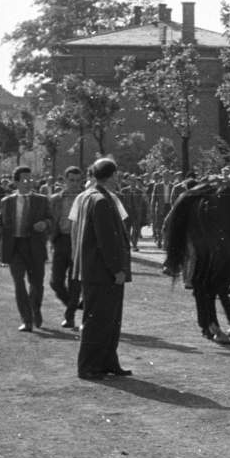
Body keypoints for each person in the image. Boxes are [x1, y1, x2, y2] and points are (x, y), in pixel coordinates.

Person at [71, 157, 133, 380]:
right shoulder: (102, 200)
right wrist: (117, 269)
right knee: (99, 321)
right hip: (103, 272)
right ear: (113, 175)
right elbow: (107, 240)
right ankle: (88, 366)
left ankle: (107, 361)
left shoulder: (89, 196)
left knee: (109, 320)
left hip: (94, 270)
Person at [0, 166, 54, 332]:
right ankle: (26, 320)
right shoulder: (6, 201)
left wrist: (45, 224)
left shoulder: (41, 200)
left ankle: (35, 309)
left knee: (37, 284)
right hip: (15, 247)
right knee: (19, 282)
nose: (29, 183)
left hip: (34, 246)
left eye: (30, 179)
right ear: (16, 182)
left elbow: (51, 220)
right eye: (24, 180)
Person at [48, 166, 86, 329]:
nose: (75, 184)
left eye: (78, 180)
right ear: (64, 181)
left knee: (75, 281)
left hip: (80, 242)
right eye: (71, 180)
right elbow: (50, 218)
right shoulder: (56, 199)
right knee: (55, 282)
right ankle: (74, 304)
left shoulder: (86, 199)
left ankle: (69, 317)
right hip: (61, 240)